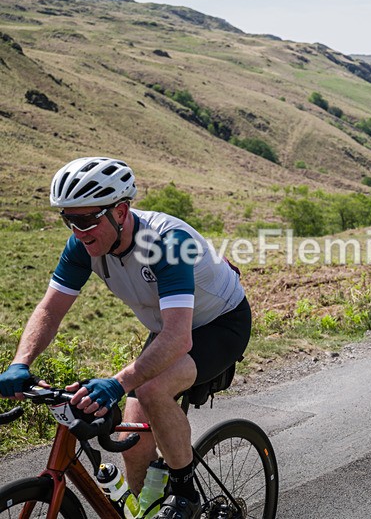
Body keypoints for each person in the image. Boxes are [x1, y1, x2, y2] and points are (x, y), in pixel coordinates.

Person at [0, 157, 250, 519]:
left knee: (151, 391)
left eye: (87, 219)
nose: (78, 231)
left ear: (121, 210)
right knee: (132, 438)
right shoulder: (82, 246)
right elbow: (50, 310)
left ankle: (185, 492)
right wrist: (19, 363)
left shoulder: (167, 242)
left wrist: (116, 384)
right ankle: (146, 510)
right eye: (69, 220)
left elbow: (179, 339)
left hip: (220, 323)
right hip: (169, 328)